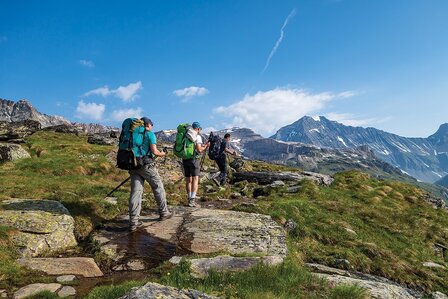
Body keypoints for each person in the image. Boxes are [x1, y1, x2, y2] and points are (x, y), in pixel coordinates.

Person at [128, 117, 172, 231]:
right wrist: (162, 153)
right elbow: (154, 151)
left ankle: (133, 222)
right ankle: (164, 212)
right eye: (151, 124)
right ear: (148, 124)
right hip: (147, 166)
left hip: (133, 166)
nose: (152, 126)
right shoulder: (149, 134)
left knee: (136, 192)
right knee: (158, 187)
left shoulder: (132, 134)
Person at [183, 121, 209, 207]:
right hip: (194, 160)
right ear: (198, 129)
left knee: (188, 180)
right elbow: (199, 150)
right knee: (195, 179)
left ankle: (189, 199)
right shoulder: (197, 136)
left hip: (185, 159)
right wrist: (206, 146)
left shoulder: (185, 135)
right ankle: (192, 200)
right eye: (200, 129)